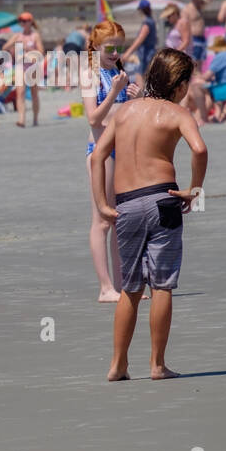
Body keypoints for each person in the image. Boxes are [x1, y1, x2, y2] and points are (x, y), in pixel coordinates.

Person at [91, 48, 207, 381]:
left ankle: (118, 365)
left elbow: (98, 156)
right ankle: (157, 365)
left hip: (127, 204)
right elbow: (199, 149)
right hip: (163, 200)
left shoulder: (125, 112)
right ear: (181, 84)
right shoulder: (176, 113)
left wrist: (102, 202)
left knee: (130, 287)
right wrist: (194, 189)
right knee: (162, 286)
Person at [82, 20, 136, 302]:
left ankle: (122, 283)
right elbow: (93, 118)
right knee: (102, 220)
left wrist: (136, 99)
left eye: (119, 47)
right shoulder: (89, 74)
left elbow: (122, 115)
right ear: (95, 47)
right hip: (100, 153)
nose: (115, 53)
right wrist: (116, 92)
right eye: (109, 48)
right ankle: (105, 288)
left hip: (122, 150)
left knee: (118, 221)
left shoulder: (117, 72)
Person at [10, 12, 45, 127]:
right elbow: (5, 47)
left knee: (34, 93)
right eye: (21, 21)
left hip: (32, 66)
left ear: (30, 22)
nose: (23, 23)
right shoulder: (17, 35)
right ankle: (22, 119)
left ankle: (35, 119)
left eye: (25, 21)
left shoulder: (35, 36)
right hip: (20, 66)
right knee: (20, 93)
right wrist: (12, 44)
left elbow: (41, 52)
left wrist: (28, 48)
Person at [122, 0, 158, 74]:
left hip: (145, 54)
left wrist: (128, 53)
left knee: (139, 75)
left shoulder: (147, 22)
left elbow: (140, 39)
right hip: (150, 53)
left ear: (141, 10)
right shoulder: (151, 20)